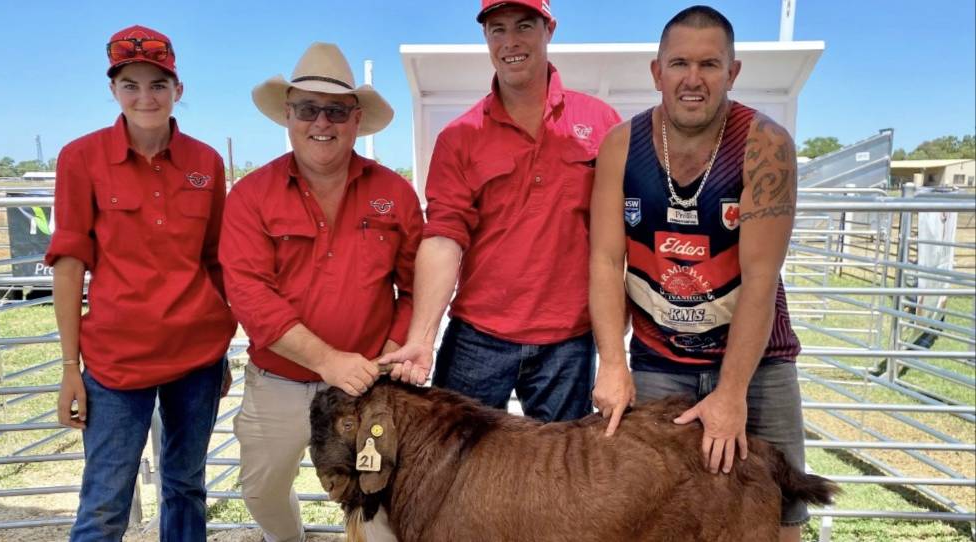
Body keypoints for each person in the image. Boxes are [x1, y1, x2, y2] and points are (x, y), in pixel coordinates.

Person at [588, 5, 806, 540]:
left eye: (709, 65)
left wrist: (732, 393)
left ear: (732, 73)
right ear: (656, 71)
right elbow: (604, 259)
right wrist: (612, 365)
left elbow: (760, 277)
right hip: (660, 361)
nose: (693, 79)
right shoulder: (622, 144)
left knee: (778, 517)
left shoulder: (764, 144)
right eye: (679, 63)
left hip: (758, 366)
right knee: (653, 516)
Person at [381, 0, 621, 423]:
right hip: (478, 334)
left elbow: (621, 237)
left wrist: (615, 349)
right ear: (485, 37)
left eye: (524, 26)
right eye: (497, 29)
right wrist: (422, 338)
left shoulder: (602, 123)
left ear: (550, 29)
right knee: (454, 468)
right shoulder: (459, 136)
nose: (511, 41)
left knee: (562, 478)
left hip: (569, 339)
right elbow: (442, 238)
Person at [220, 42, 421, 542]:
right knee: (261, 489)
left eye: (335, 110)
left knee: (378, 495)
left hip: (368, 384)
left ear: (356, 119)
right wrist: (328, 359)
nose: (321, 123)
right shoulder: (250, 196)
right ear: (288, 115)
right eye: (308, 109)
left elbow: (415, 286)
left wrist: (392, 354)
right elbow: (248, 293)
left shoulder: (395, 194)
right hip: (279, 381)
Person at [48, 25, 236, 541]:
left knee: (186, 484)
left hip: (196, 355)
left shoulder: (206, 162)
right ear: (113, 90)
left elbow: (218, 260)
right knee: (106, 497)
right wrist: (70, 368)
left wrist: (221, 347)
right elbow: (69, 263)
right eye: (130, 84)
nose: (145, 96)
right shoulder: (80, 158)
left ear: (178, 89)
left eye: (157, 83)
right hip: (114, 358)